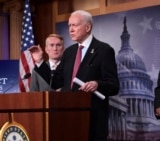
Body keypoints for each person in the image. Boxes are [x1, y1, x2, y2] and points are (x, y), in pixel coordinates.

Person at [30, 10, 119, 141]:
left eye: (74, 25)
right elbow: (55, 82)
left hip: (92, 122)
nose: (70, 29)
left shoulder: (104, 50)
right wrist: (39, 61)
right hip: (69, 120)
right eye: (69, 25)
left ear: (87, 27)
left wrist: (97, 84)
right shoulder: (69, 52)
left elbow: (114, 86)